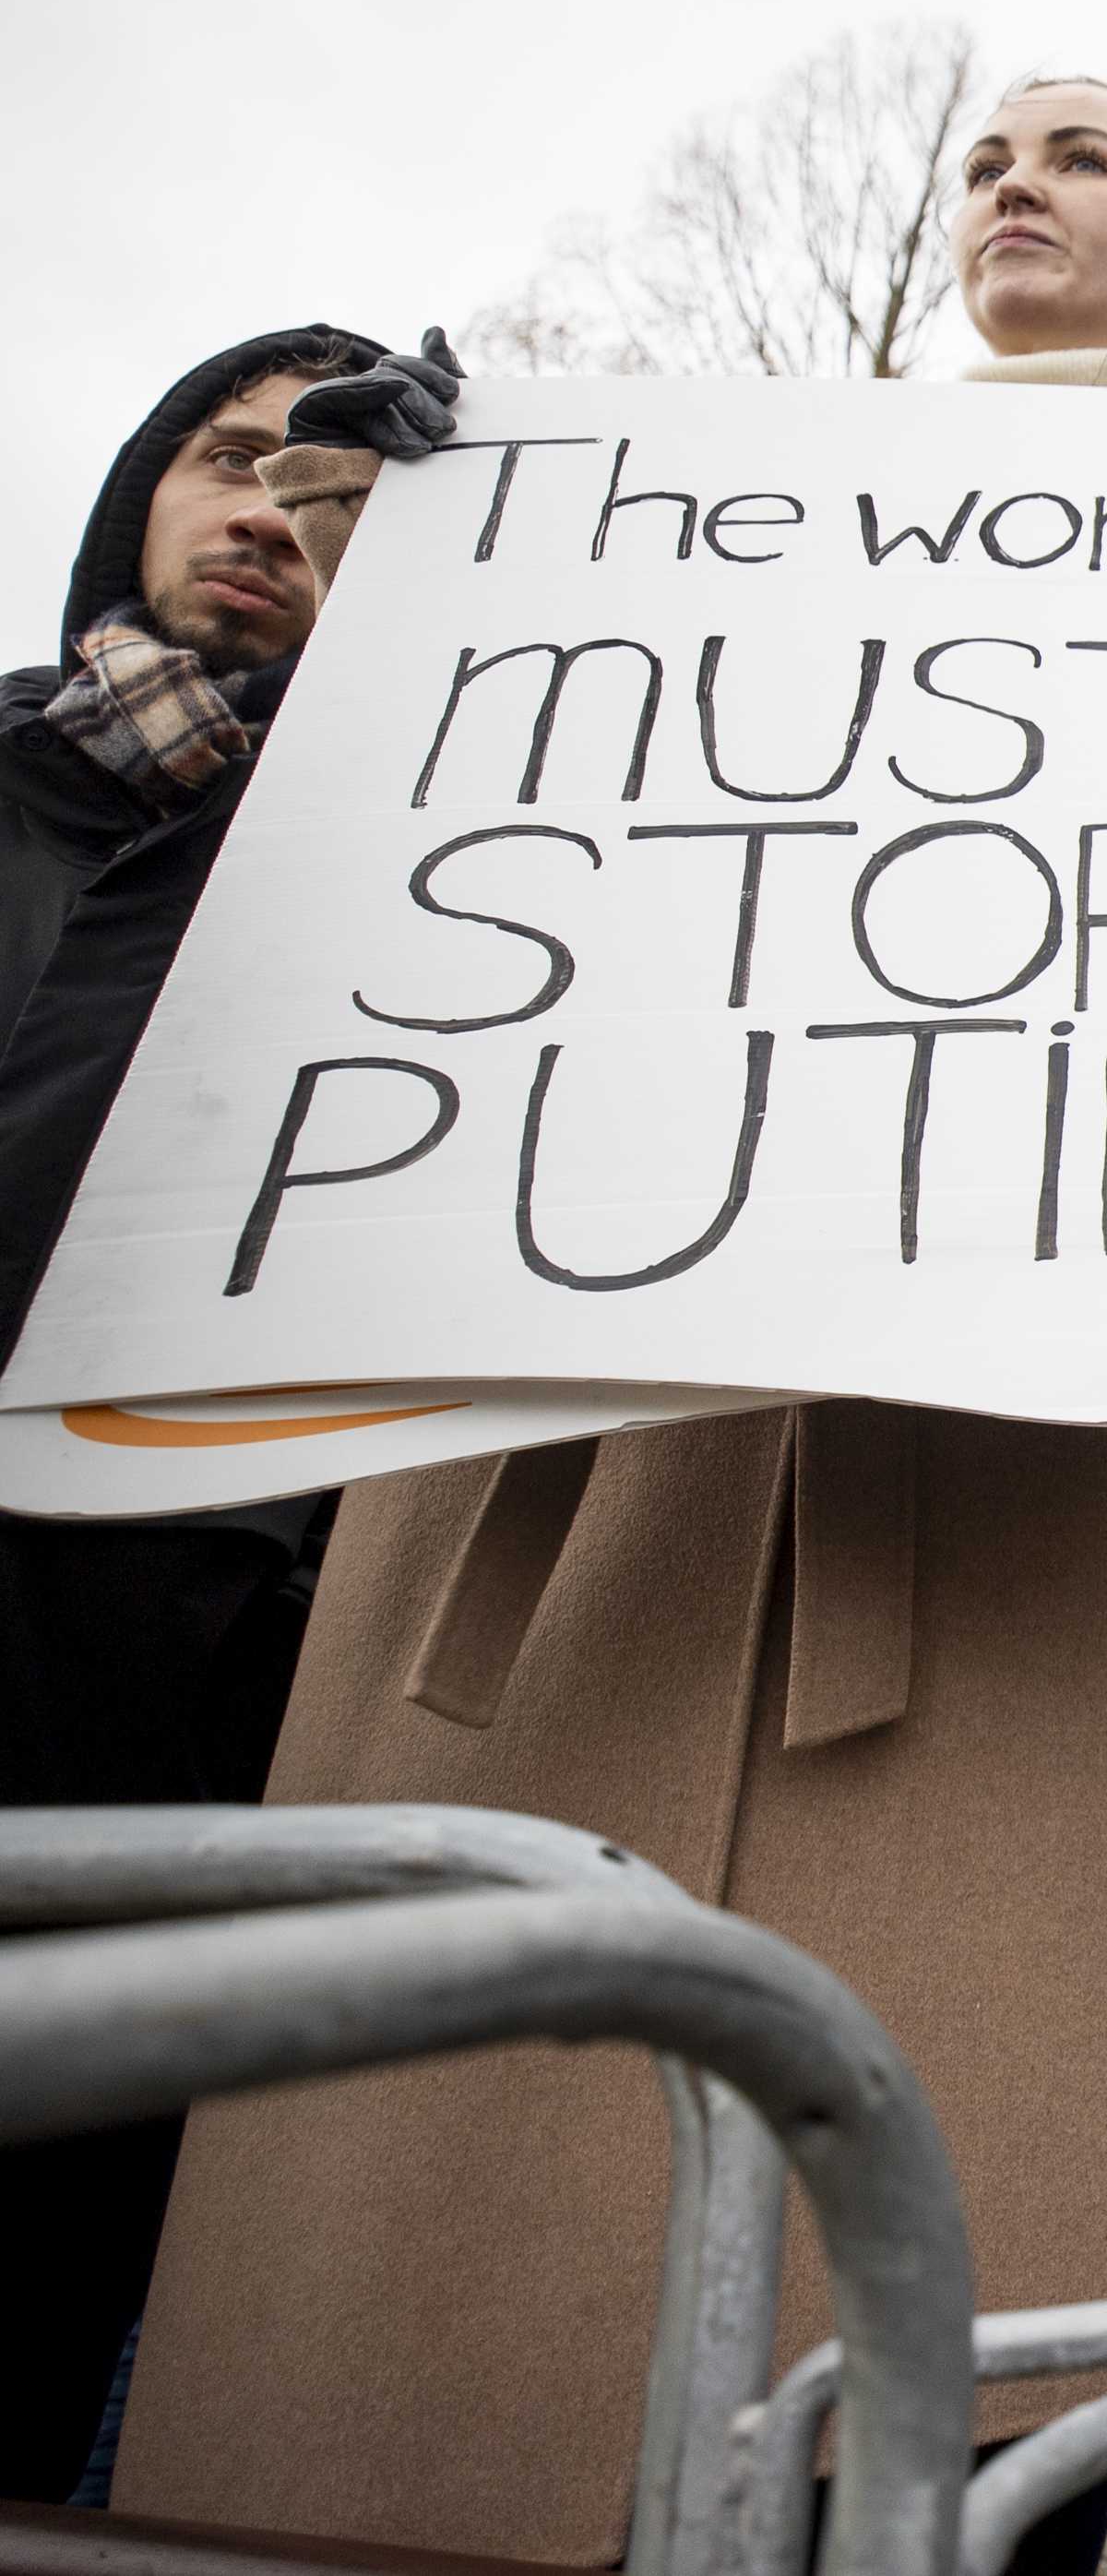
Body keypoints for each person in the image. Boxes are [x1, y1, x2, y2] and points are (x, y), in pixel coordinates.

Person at [119, 78, 1107, 2558]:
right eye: (987, 157)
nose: (1014, 179)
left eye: (1088, 154)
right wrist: (412, 541)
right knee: (444, 2293)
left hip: (1033, 1478)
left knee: (985, 2242)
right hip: (593, 1435)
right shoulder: (694, 483)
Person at [0, 320, 429, 2497]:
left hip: (216, 1677)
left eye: (333, 483)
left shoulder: (430, 840)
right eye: (227, 456)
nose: (268, 505)